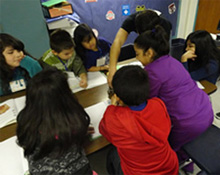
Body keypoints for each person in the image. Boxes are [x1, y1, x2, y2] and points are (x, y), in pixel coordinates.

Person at [134, 25, 214, 173]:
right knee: (186, 140)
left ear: (149, 53)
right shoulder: (172, 61)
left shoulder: (152, 72)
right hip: (206, 111)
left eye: (137, 54)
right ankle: (188, 162)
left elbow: (147, 100)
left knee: (168, 147)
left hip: (188, 123)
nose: (137, 58)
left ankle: (173, 165)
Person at [99, 65, 179, 175]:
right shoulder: (158, 104)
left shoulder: (113, 117)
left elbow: (105, 132)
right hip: (168, 166)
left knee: (112, 155)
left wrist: (112, 107)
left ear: (118, 97)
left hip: (138, 172)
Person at [16, 68, 95, 175]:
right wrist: (81, 130)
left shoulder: (25, 118)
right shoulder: (72, 120)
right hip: (75, 170)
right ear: (64, 96)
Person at [108, 9, 172, 86]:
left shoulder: (164, 26)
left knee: (162, 66)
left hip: (160, 38)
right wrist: (112, 69)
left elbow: (162, 54)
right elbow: (117, 42)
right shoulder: (131, 21)